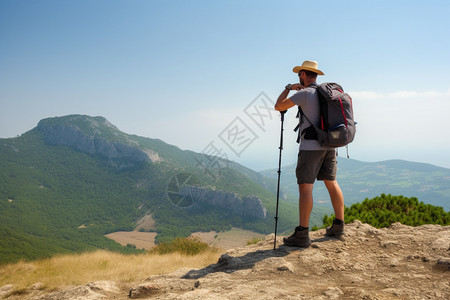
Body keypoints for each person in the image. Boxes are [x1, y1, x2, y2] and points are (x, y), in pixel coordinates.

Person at [274, 60, 345, 248]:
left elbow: (279, 106)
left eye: (299, 75)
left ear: (303, 75)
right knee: (332, 183)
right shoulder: (325, 94)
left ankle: (302, 234)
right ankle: (339, 226)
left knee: (306, 188)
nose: (299, 77)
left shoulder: (304, 94)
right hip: (330, 145)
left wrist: (288, 88)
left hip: (310, 148)